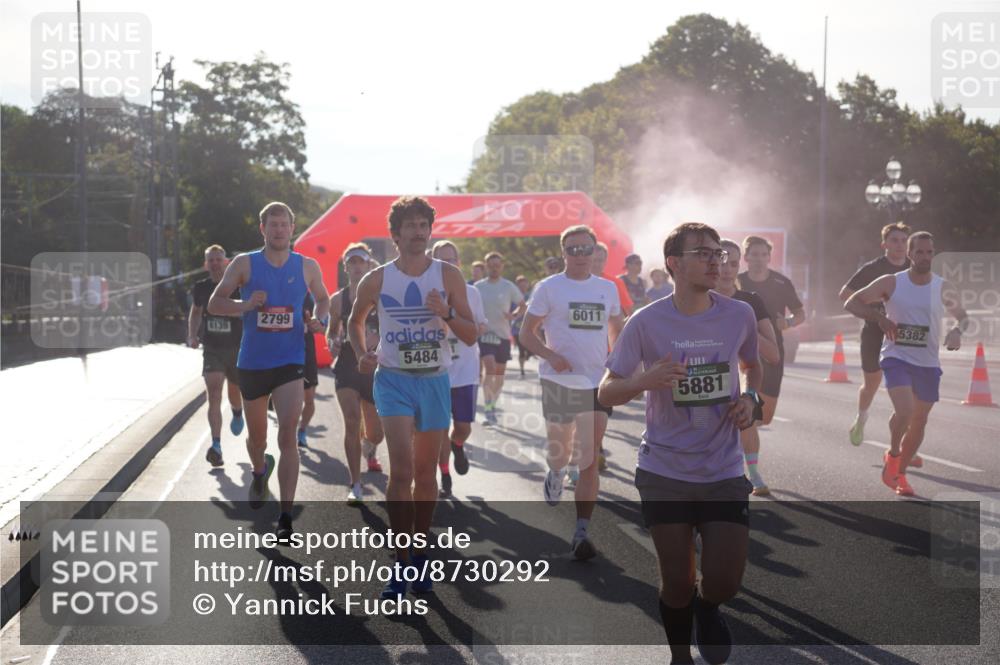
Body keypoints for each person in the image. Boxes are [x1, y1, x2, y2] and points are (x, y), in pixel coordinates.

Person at [599, 222, 762, 665]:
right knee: (676, 581)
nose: (716, 261)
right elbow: (606, 392)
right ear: (674, 263)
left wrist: (751, 397)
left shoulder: (739, 314)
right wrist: (645, 380)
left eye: (717, 253)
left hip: (723, 468)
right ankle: (679, 657)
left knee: (725, 581)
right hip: (664, 471)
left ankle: (708, 607)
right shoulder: (646, 322)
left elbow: (752, 365)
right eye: (702, 253)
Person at [348, 196, 477, 598]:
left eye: (424, 226)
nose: (419, 233)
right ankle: (401, 563)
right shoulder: (377, 279)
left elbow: (471, 335)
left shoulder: (448, 275)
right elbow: (355, 320)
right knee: (401, 472)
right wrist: (362, 352)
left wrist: (446, 313)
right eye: (411, 226)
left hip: (434, 381)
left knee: (425, 475)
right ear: (396, 234)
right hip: (393, 381)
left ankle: (420, 553)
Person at [208, 202, 331, 540]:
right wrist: (246, 304)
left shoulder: (307, 266)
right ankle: (260, 471)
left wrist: (319, 320)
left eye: (283, 224)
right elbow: (215, 303)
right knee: (258, 439)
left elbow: (323, 299)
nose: (278, 230)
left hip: (290, 361)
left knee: (288, 434)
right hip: (253, 363)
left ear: (292, 228)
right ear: (263, 229)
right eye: (272, 224)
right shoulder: (244, 264)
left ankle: (286, 516)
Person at [519, 225, 624, 560]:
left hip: (596, 382)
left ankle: (581, 531)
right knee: (560, 451)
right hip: (560, 381)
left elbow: (617, 328)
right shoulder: (549, 288)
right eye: (573, 249)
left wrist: (618, 362)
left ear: (595, 251)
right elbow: (526, 333)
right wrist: (550, 355)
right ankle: (556, 470)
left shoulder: (607, 288)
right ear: (563, 253)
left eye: (586, 249)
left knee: (588, 457)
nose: (580, 255)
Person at [844, 231, 966, 496]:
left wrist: (957, 330)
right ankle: (894, 454)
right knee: (906, 410)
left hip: (928, 362)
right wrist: (879, 318)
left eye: (929, 252)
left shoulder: (942, 286)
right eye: (919, 252)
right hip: (896, 357)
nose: (924, 257)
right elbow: (851, 302)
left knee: (919, 421)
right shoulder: (892, 282)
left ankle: (899, 474)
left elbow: (963, 316)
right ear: (909, 254)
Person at [716, 239, 780, 496]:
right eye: (721, 263)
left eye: (733, 264)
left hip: (742, 373)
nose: (726, 270)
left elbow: (773, 354)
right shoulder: (699, 299)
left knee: (747, 415)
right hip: (705, 377)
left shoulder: (750, 302)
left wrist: (745, 325)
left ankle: (752, 472)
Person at [839, 222, 912, 448]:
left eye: (904, 241)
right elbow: (845, 295)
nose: (900, 245)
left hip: (904, 335)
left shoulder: (914, 268)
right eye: (894, 240)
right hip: (874, 333)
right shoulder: (873, 268)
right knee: (871, 384)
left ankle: (903, 444)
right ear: (884, 244)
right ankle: (861, 419)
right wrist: (875, 310)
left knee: (906, 391)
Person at [327, 243, 386, 504]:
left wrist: (378, 338)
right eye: (352, 262)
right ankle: (355, 484)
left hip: (374, 367)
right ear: (346, 267)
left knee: (377, 433)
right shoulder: (337, 300)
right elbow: (332, 331)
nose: (357, 266)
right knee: (351, 420)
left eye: (361, 261)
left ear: (369, 264)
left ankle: (369, 446)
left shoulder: (381, 295)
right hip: (348, 365)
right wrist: (332, 341)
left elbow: (393, 328)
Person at [431, 241, 488, 498]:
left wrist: (469, 328)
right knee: (440, 427)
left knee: (463, 427)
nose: (448, 265)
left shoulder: (471, 293)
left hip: (465, 371)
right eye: (441, 261)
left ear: (459, 263)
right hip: (437, 371)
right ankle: (445, 475)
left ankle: (458, 444)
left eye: (451, 260)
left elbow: (481, 325)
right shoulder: (427, 292)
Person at [737, 236, 805, 425]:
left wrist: (789, 322)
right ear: (746, 257)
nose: (759, 259)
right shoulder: (737, 282)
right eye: (754, 254)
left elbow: (800, 314)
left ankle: (747, 434)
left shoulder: (781, 282)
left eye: (763, 254)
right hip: (741, 350)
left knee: (765, 417)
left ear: (769, 257)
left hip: (772, 349)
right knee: (746, 407)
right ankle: (743, 439)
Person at [188, 244, 244, 466]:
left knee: (234, 392)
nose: (215, 263)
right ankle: (216, 446)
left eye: (218, 259)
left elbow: (247, 310)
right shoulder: (201, 287)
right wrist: (192, 335)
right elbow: (195, 312)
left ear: (226, 262)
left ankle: (237, 412)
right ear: (206, 264)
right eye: (211, 260)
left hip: (236, 348)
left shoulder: (237, 286)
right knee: (213, 394)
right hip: (212, 348)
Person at [475, 252, 526, 426]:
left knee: (499, 375)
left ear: (502, 267)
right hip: (485, 335)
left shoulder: (508, 286)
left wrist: (514, 316)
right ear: (486, 266)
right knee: (489, 368)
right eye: (491, 266)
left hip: (503, 335)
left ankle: (492, 404)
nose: (494, 269)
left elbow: (523, 306)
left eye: (497, 265)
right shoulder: (478, 287)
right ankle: (488, 408)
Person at [298, 291, 319, 448]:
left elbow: (320, 324)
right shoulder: (279, 289)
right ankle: (288, 430)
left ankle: (302, 430)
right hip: (283, 351)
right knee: (290, 399)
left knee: (309, 399)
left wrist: (315, 322)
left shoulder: (309, 298)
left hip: (306, 352)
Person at [592, 242, 633, 317]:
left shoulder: (616, 283)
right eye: (594, 260)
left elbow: (629, 312)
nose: (596, 264)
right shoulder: (577, 280)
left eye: (600, 260)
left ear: (605, 261)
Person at [512, 275, 534, 377]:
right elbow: (509, 311)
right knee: (521, 349)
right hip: (516, 328)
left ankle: (528, 355)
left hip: (529, 327)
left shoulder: (531, 296)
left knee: (530, 350)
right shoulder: (513, 297)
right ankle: (522, 370)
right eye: (520, 285)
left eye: (525, 284)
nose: (523, 287)